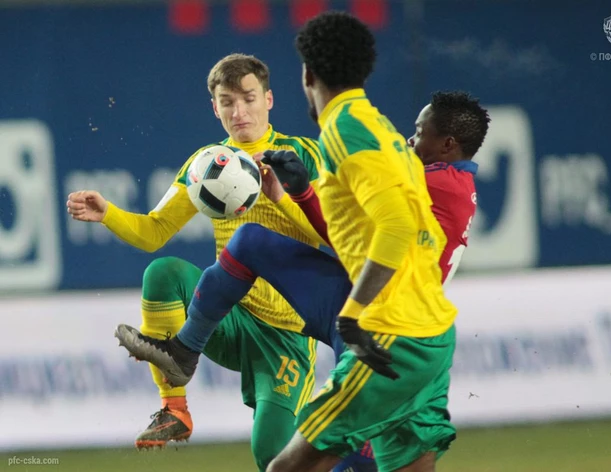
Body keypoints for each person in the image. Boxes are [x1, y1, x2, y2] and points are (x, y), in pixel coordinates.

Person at [114, 12, 490, 472]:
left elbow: (384, 231)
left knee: (290, 465)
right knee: (248, 243)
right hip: (432, 332)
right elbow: (355, 231)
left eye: (248, 98)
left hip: (385, 323)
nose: (412, 142)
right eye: (228, 102)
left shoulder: (351, 131)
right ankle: (183, 359)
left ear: (306, 76)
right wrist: (303, 193)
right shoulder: (405, 151)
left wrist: (351, 314)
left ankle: (184, 352)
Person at [66, 53, 326, 472]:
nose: (239, 112)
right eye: (227, 102)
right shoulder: (207, 164)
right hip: (226, 317)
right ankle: (175, 409)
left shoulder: (304, 155)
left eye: (249, 99)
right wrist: (108, 213)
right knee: (163, 273)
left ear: (269, 100)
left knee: (273, 456)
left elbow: (330, 233)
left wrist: (281, 197)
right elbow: (154, 232)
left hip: (287, 334)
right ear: (215, 108)